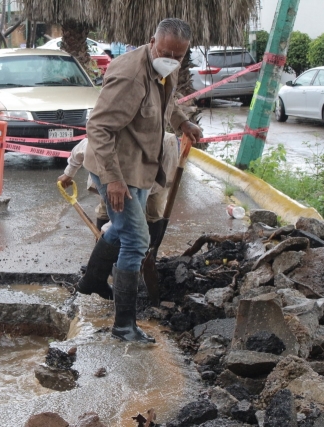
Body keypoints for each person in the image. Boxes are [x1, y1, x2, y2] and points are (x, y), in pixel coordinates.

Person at [82, 18, 203, 343]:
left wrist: (182, 123)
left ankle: (92, 281)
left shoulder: (170, 65)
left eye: (178, 56)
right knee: (136, 240)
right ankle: (124, 325)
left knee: (122, 230)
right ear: (152, 42)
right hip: (114, 167)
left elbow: (167, 101)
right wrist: (113, 181)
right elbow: (98, 128)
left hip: (139, 165)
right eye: (165, 53)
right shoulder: (129, 76)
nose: (171, 60)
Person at [58, 133, 180, 300]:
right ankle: (103, 270)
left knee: (152, 214)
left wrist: (118, 224)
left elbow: (151, 188)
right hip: (113, 176)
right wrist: (69, 173)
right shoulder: (101, 143)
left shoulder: (166, 144)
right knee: (108, 212)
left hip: (154, 179)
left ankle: (147, 258)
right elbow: (79, 150)